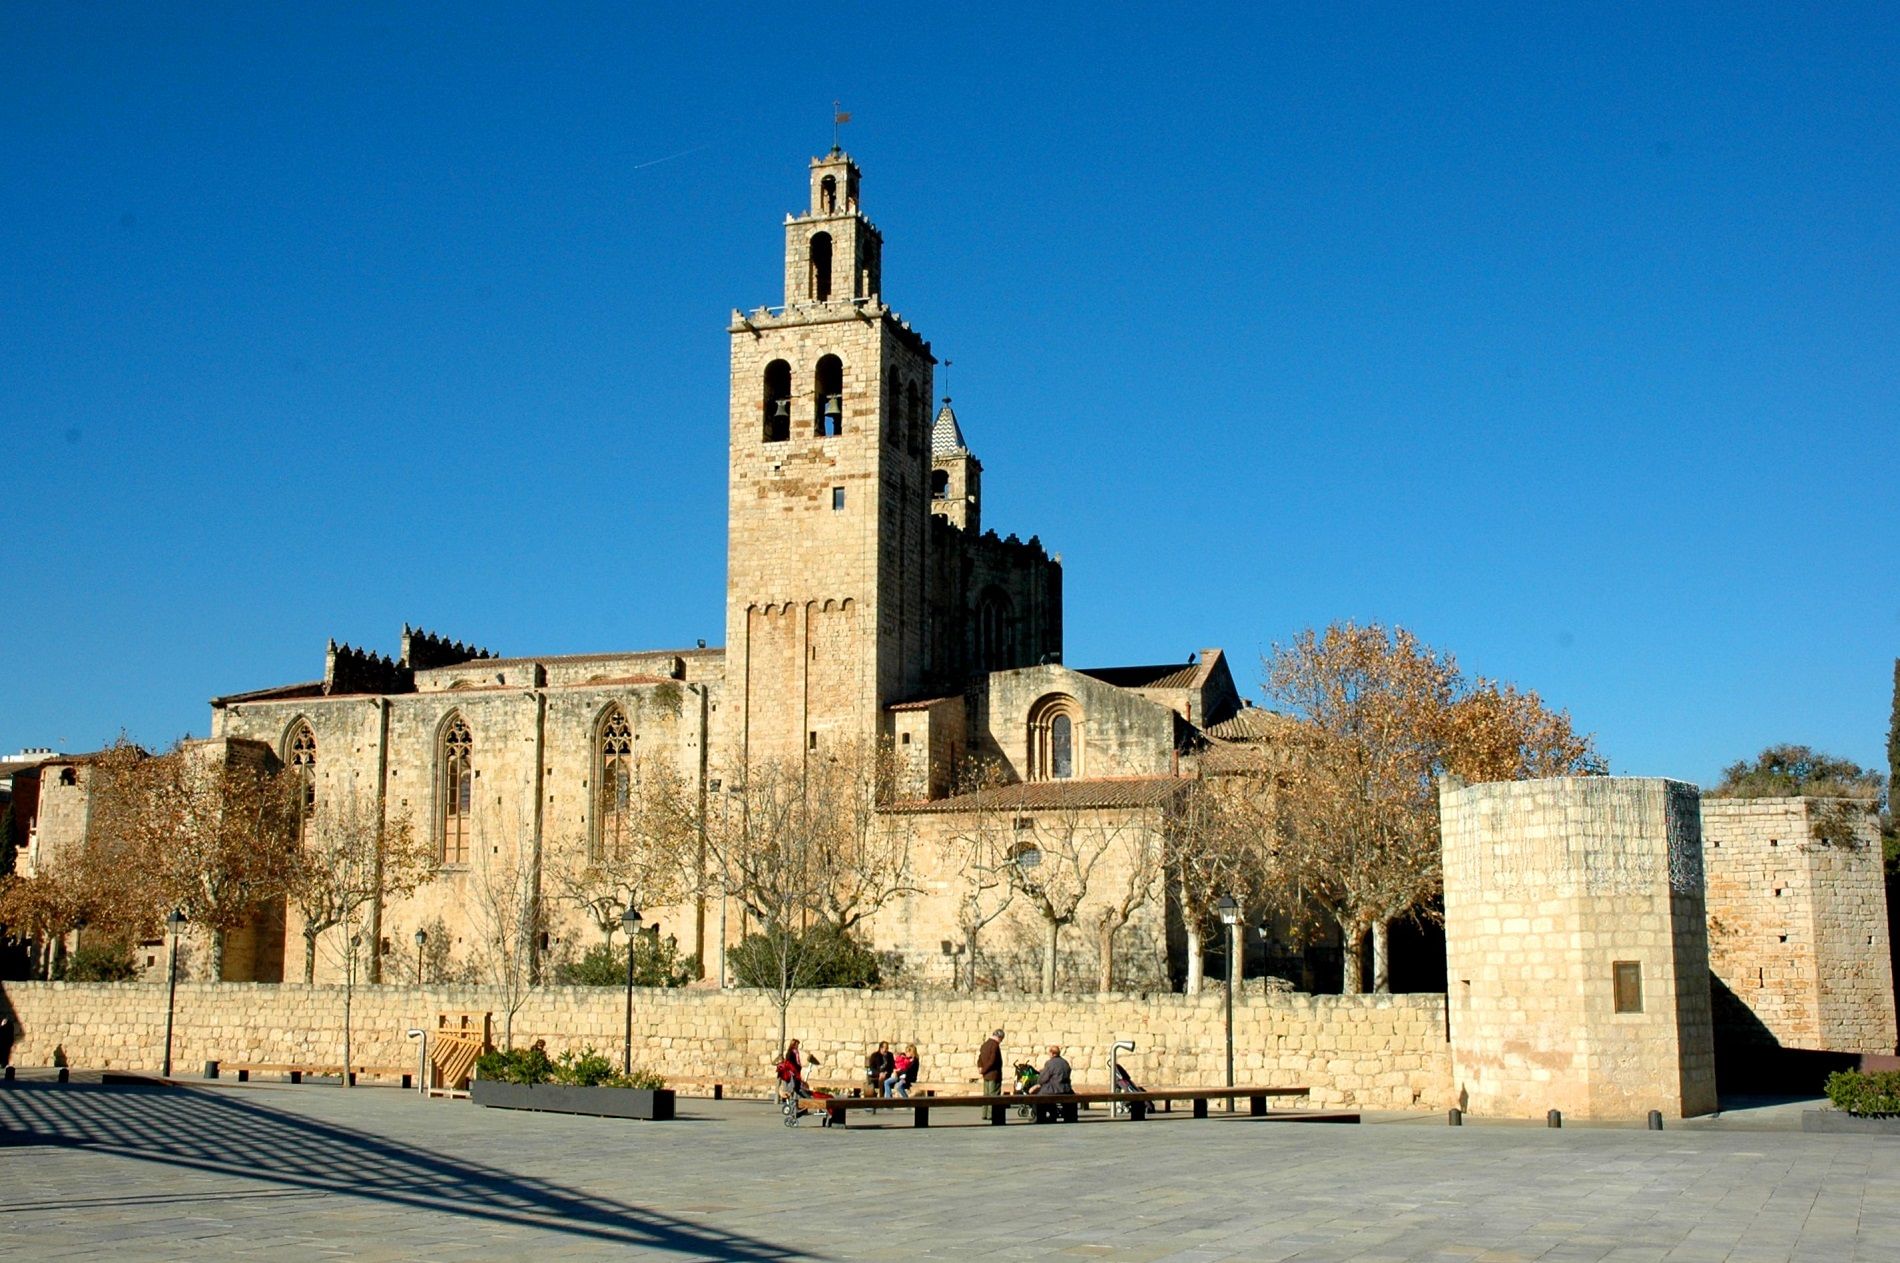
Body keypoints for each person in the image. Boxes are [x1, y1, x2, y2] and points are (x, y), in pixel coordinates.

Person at [1033, 1044, 1073, 1122]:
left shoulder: (1050, 1063)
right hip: (1066, 1089)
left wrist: (1039, 1081)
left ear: (1052, 1053)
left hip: (1053, 1089)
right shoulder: (1065, 1062)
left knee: (1037, 1096)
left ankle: (1040, 1117)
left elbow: (1042, 1079)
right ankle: (1054, 1113)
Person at [977, 1028, 1004, 1095]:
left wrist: (980, 1067)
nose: (1001, 1041)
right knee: (993, 1095)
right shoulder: (994, 1045)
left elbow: (980, 1058)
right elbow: (992, 1061)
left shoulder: (985, 1044)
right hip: (994, 1074)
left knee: (986, 1095)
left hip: (986, 1075)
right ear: (999, 1037)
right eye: (1001, 1039)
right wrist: (984, 1070)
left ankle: (985, 1106)